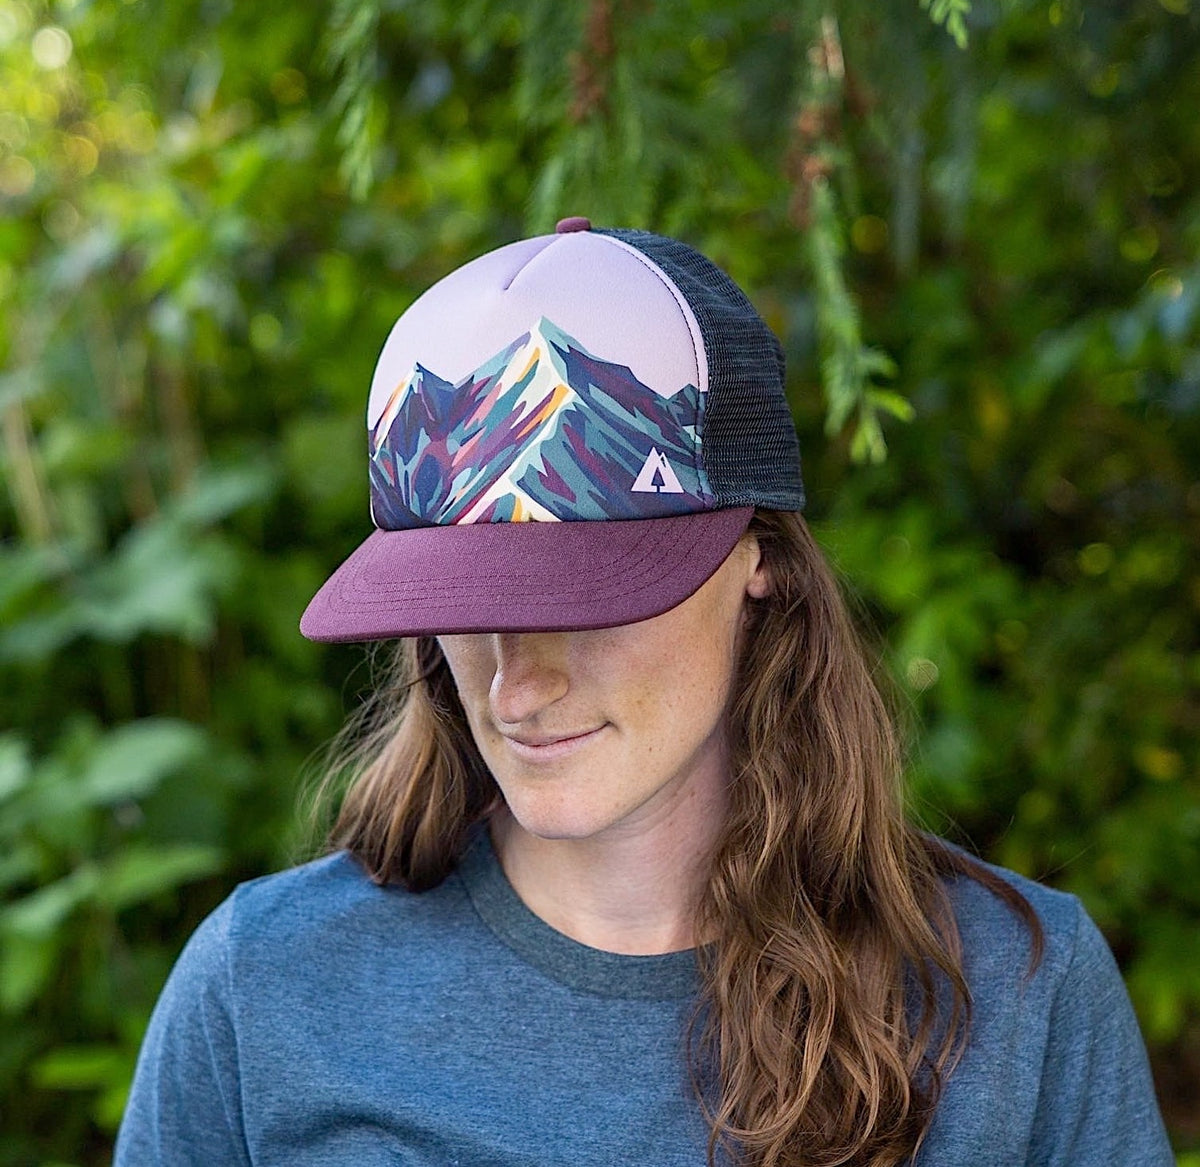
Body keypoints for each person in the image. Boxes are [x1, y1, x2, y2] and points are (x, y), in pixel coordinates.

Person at [114, 219, 1174, 1167]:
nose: (518, 678)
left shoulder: (1016, 996)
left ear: (757, 557)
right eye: (463, 599)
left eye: (587, 595)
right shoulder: (265, 988)